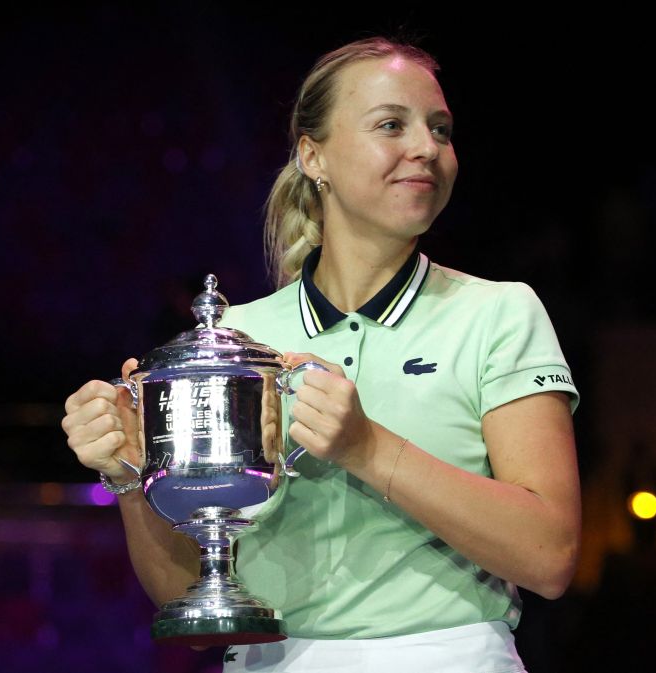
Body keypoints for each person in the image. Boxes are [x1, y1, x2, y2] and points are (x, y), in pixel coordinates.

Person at [62, 37, 581, 672]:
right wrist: (129, 477)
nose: (426, 147)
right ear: (314, 156)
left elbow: (550, 556)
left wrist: (365, 447)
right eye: (392, 124)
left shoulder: (499, 312)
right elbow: (190, 614)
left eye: (440, 129)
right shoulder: (237, 338)